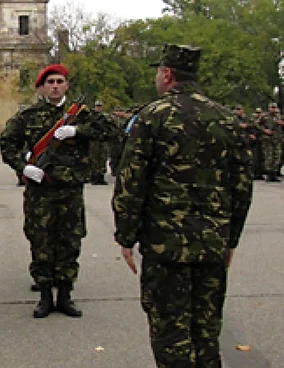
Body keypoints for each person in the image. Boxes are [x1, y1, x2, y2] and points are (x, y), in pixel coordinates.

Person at [112, 44, 253, 367]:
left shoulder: (152, 117)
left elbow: (131, 181)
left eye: (159, 73)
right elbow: (242, 186)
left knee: (171, 333)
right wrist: (231, 239)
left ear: (168, 74)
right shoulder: (226, 119)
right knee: (206, 331)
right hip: (212, 244)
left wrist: (126, 235)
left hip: (166, 247)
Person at [0, 63, 113, 319]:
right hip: (41, 190)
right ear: (41, 87)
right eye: (49, 82)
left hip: (71, 189)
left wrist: (78, 130)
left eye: (59, 81)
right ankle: (44, 296)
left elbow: (113, 129)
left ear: (66, 85)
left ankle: (64, 295)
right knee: (41, 242)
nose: (54, 86)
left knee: (69, 242)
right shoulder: (28, 115)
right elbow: (7, 142)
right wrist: (23, 168)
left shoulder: (81, 114)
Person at [260, 102, 282, 182]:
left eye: (274, 107)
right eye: (272, 107)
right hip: (267, 139)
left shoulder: (279, 116)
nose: (273, 109)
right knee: (269, 156)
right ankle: (269, 174)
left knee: (277, 156)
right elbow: (256, 124)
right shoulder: (264, 116)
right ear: (269, 108)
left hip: (277, 139)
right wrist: (264, 130)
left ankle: (274, 173)